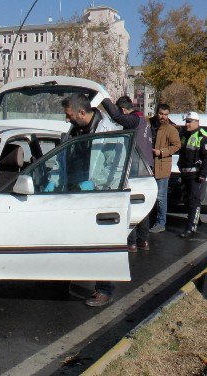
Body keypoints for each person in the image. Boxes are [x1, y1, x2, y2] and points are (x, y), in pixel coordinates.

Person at [60, 93, 121, 307]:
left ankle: (104, 289)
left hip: (98, 195)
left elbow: (117, 166)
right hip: (73, 192)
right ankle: (62, 280)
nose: (66, 119)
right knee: (69, 239)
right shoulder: (74, 129)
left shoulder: (108, 131)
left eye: (69, 115)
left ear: (82, 112)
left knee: (99, 244)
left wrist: (95, 183)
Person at [101, 96, 153, 252]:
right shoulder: (143, 119)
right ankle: (143, 240)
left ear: (124, 110)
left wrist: (104, 99)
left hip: (135, 166)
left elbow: (116, 116)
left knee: (129, 203)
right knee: (142, 204)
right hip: (146, 165)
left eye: (121, 113)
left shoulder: (133, 120)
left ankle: (131, 242)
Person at [177, 111, 207, 238]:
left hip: (195, 175)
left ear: (196, 122)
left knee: (194, 201)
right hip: (184, 174)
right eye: (186, 121)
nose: (187, 124)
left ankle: (191, 228)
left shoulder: (203, 136)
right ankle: (195, 220)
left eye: (189, 122)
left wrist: (203, 174)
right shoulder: (184, 134)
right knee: (187, 201)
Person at [148, 104, 181, 233]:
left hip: (162, 167)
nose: (163, 117)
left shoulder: (171, 129)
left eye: (166, 114)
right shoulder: (149, 124)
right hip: (148, 166)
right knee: (149, 195)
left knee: (161, 197)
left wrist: (161, 152)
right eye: (161, 113)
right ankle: (149, 220)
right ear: (157, 113)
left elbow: (177, 146)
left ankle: (161, 223)